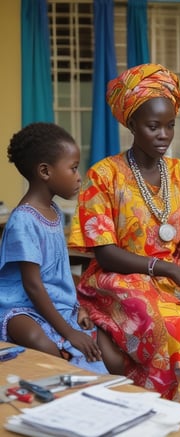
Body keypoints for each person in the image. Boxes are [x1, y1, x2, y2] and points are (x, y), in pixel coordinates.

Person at [68, 63, 180, 416]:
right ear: (132, 123)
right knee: (173, 323)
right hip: (121, 276)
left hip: (173, 271)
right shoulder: (103, 175)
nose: (164, 135)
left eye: (169, 126)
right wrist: (167, 269)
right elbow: (104, 253)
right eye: (153, 126)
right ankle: (166, 417)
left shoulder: (179, 172)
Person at [0, 122, 113, 374]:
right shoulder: (23, 220)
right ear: (45, 171)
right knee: (44, 346)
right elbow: (33, 285)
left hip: (54, 302)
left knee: (106, 353)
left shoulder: (54, 212)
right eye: (73, 168)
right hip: (20, 306)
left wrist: (78, 306)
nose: (79, 176)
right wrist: (69, 331)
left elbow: (59, 272)